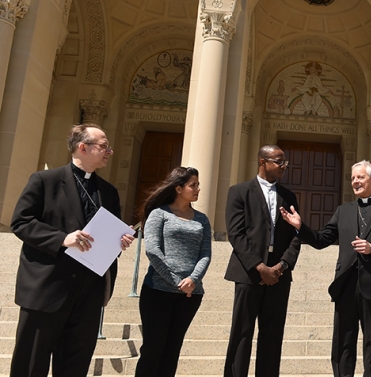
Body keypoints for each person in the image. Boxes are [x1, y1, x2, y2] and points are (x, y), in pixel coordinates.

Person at [9, 124, 134, 376]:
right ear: (83, 147)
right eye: (103, 146)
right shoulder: (44, 180)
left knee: (75, 366)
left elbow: (107, 236)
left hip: (88, 293)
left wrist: (119, 242)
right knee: (31, 364)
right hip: (47, 289)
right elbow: (21, 222)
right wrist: (62, 239)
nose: (109, 151)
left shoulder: (109, 192)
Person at [279, 160, 371, 377]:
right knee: (343, 342)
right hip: (345, 285)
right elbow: (322, 239)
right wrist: (301, 227)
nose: (355, 181)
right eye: (353, 178)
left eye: (360, 177)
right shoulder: (343, 211)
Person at [224, 145, 302, 377]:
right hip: (248, 275)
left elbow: (296, 237)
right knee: (242, 333)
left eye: (284, 162)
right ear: (262, 161)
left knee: (272, 335)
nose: (284, 166)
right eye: (279, 161)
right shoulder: (239, 192)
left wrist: (282, 266)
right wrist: (259, 267)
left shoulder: (289, 196)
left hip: (279, 276)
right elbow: (236, 234)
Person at [135, 166, 212, 377]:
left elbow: (205, 254)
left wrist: (193, 280)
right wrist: (177, 281)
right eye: (193, 185)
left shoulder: (202, 219)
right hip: (158, 291)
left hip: (190, 295)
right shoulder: (159, 214)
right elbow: (152, 250)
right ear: (179, 188)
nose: (198, 189)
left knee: (172, 351)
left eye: (198, 185)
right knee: (152, 349)